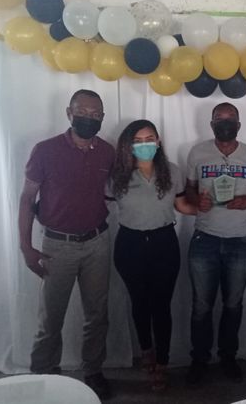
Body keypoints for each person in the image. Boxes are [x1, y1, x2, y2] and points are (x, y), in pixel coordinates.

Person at [18, 89, 115, 399]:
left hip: (98, 242)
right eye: (82, 112)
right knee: (51, 318)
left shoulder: (107, 152)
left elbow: (113, 190)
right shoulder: (45, 150)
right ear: (69, 113)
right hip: (57, 245)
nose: (89, 118)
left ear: (102, 117)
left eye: (95, 114)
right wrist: (26, 247)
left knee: (97, 314)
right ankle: (44, 375)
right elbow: (26, 199)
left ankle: (93, 371)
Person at [110, 119, 195, 391]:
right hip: (130, 245)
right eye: (138, 141)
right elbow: (97, 204)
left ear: (158, 142)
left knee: (161, 306)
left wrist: (207, 206)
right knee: (139, 302)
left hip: (163, 243)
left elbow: (182, 205)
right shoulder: (117, 175)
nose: (144, 145)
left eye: (149, 139)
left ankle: (162, 362)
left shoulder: (172, 171)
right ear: (128, 145)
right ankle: (146, 349)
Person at [185, 102, 246, 385]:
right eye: (219, 119)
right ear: (211, 124)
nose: (225, 123)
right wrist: (197, 200)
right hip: (204, 238)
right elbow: (189, 189)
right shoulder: (197, 153)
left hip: (239, 241)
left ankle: (228, 357)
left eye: (230, 118)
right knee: (201, 306)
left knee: (233, 304)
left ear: (239, 125)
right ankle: (199, 360)